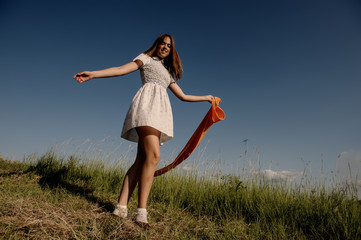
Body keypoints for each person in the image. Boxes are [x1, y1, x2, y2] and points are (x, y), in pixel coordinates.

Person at [73, 34, 214, 229]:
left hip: (160, 113)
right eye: (162, 44)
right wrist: (93, 73)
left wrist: (206, 97)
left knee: (141, 160)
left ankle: (120, 208)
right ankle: (141, 214)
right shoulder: (145, 58)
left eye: (168, 46)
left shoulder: (167, 72)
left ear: (171, 50)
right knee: (154, 156)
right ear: (156, 45)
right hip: (146, 107)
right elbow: (121, 69)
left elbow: (182, 96)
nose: (165, 47)